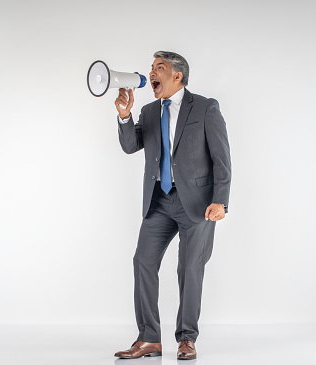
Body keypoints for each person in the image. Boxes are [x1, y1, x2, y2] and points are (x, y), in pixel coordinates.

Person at [113, 51, 231, 360]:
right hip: (159, 200)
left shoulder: (205, 108)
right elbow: (130, 146)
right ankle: (149, 338)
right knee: (143, 262)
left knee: (189, 269)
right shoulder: (150, 111)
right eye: (151, 67)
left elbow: (222, 158)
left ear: (177, 76)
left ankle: (187, 338)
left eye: (159, 68)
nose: (151, 72)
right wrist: (125, 115)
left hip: (198, 203)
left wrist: (221, 200)